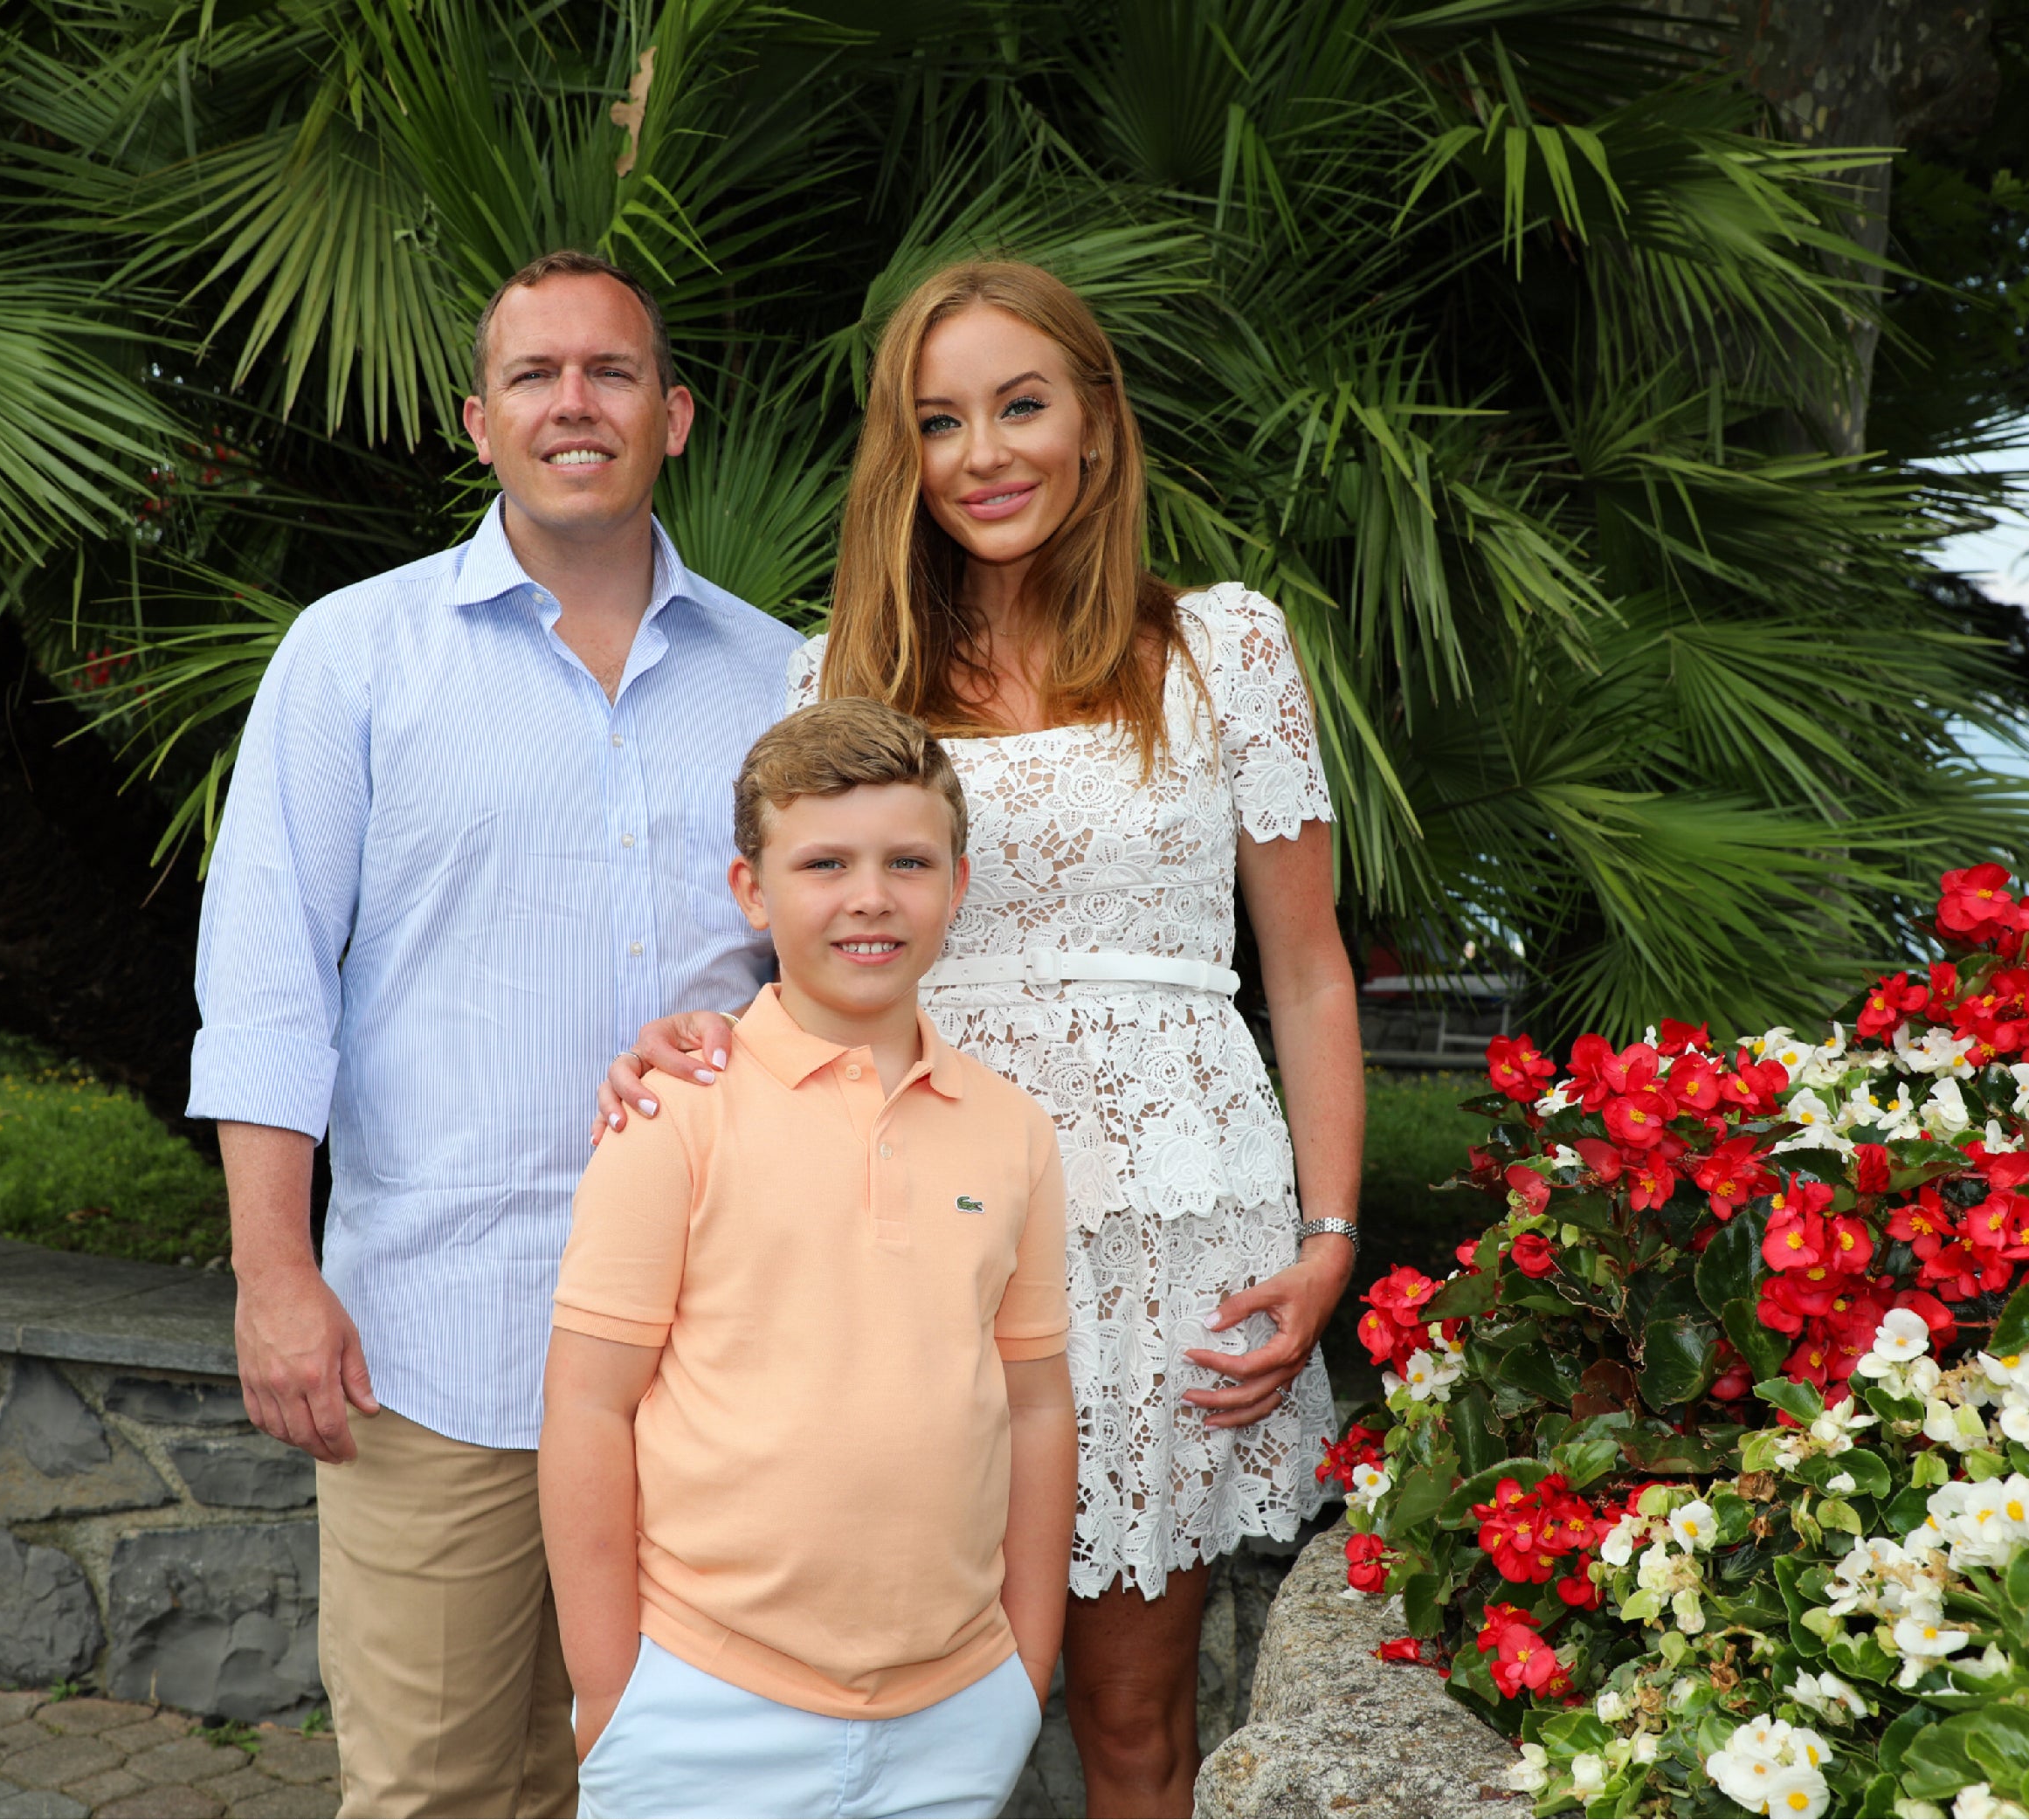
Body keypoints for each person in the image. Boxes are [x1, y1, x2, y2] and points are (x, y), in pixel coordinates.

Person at [598, 260, 1365, 1816]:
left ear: (1096, 421)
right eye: (940, 421)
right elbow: (807, 945)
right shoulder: (842, 672)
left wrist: (1332, 1231)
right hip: (916, 1230)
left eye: (1022, 405)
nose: (984, 453)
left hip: (1167, 1236)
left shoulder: (1225, 648)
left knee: (1134, 1713)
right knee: (892, 1689)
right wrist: (688, 1039)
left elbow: (1311, 970)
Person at [190, 249, 801, 1817]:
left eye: (609, 373)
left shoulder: (781, 674)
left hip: (710, 1351)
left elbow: (843, 971)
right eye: (535, 375)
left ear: (674, 413)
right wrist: (274, 1274)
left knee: (682, 1786)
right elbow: (266, 977)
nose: (573, 403)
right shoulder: (354, 655)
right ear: (478, 419)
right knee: (438, 1791)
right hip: (437, 1344)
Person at [544, 698, 1076, 1819]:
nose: (869, 895)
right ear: (753, 889)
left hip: (954, 1711)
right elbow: (588, 1407)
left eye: (908, 860)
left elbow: (1034, 1405)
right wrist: (610, 1687)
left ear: (958, 884)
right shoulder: (675, 1112)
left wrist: (1023, 1671)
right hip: (701, 1698)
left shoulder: (1013, 1128)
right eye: (823, 861)